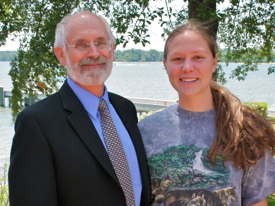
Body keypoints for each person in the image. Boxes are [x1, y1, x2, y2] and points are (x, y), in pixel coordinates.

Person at [9, 11, 151, 206]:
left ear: (112, 49)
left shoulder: (126, 109)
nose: (93, 53)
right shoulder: (36, 123)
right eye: (81, 45)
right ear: (61, 55)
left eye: (101, 43)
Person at [138, 20, 275, 206]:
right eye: (177, 59)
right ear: (165, 64)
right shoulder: (145, 131)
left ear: (214, 62)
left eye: (198, 57)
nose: (187, 67)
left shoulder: (245, 129)